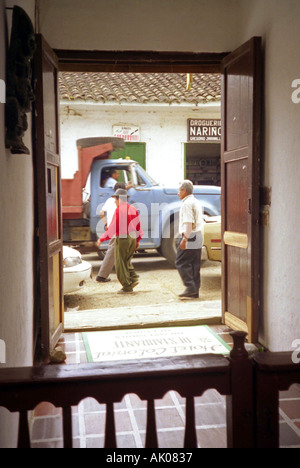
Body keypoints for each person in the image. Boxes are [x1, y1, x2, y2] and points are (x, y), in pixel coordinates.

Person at [97, 188, 143, 293]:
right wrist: (137, 240)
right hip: (132, 238)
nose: (114, 201)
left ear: (120, 199)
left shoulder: (119, 210)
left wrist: (102, 239)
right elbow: (138, 226)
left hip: (123, 238)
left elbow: (113, 227)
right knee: (126, 260)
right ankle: (134, 278)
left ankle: (127, 287)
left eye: (115, 199)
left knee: (120, 264)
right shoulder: (132, 209)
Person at [175, 180, 204, 299]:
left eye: (179, 191)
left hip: (190, 236)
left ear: (184, 191)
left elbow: (189, 223)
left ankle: (190, 287)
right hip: (198, 235)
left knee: (181, 262)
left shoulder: (186, 204)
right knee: (194, 264)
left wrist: (185, 239)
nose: (178, 194)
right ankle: (195, 290)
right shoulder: (196, 201)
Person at [96, 182, 126, 283]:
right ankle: (101, 275)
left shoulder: (109, 200)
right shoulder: (122, 202)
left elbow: (101, 213)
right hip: (118, 230)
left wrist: (106, 224)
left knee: (117, 252)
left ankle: (125, 275)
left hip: (112, 229)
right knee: (112, 253)